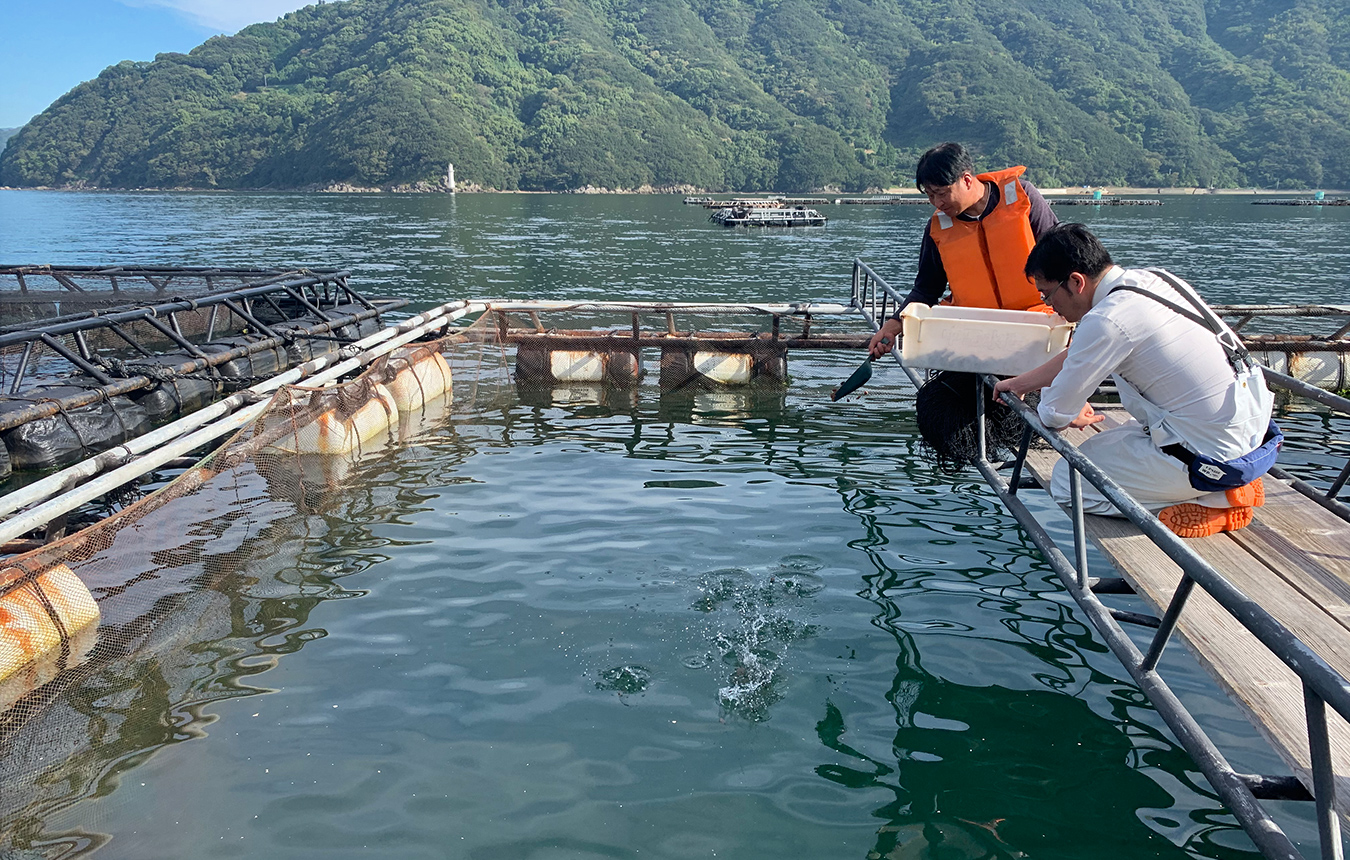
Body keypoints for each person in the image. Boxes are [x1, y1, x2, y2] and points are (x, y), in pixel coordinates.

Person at [993, 224, 1276, 538]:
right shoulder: (1154, 279)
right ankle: (1232, 483)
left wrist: (1068, 408)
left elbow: (1053, 415)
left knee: (1066, 480)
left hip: (1207, 455)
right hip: (1252, 432)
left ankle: (1215, 501)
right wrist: (1022, 384)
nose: (1050, 305)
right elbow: (1080, 354)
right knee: (1103, 447)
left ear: (1076, 282)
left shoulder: (1106, 319)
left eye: (1048, 294)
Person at [868, 142, 1059, 358]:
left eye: (941, 193)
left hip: (1037, 331)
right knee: (933, 394)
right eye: (930, 195)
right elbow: (926, 290)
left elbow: (1061, 258)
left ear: (967, 180)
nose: (937, 203)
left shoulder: (1023, 197)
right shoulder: (937, 229)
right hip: (973, 339)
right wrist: (890, 328)